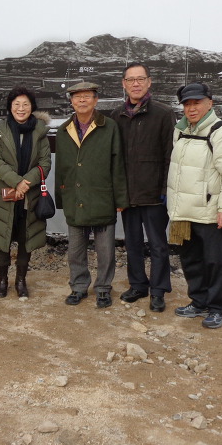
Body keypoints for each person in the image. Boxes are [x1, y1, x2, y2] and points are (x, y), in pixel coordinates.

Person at [168, 82, 222, 330]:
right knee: (190, 258)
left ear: (210, 103)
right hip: (184, 210)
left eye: (197, 103)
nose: (191, 108)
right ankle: (198, 300)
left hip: (209, 210)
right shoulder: (180, 130)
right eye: (187, 104)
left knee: (214, 261)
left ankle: (216, 307)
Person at [55, 82, 128, 309]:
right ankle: (78, 287)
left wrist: (120, 199)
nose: (82, 101)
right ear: (71, 101)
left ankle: (104, 288)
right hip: (75, 198)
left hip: (102, 197)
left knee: (105, 250)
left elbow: (118, 164)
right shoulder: (64, 129)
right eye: (77, 97)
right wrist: (61, 198)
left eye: (87, 96)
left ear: (96, 100)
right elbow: (62, 168)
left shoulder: (110, 127)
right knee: (75, 250)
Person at [110, 64, 176, 313]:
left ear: (149, 82)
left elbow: (170, 156)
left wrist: (164, 190)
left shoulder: (163, 113)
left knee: (158, 244)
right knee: (132, 242)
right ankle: (138, 284)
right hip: (127, 193)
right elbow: (113, 158)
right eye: (131, 79)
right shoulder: (117, 116)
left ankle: (158, 290)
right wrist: (116, 192)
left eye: (141, 79)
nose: (135, 84)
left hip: (153, 194)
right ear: (123, 84)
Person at [0, 85, 52, 299]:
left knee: (25, 238)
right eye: (16, 104)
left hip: (29, 196)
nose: (21, 108)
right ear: (10, 107)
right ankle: (1, 280)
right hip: (4, 193)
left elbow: (45, 163)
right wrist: (16, 181)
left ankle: (21, 280)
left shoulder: (40, 131)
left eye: (25, 104)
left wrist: (26, 183)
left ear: (32, 107)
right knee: (2, 238)